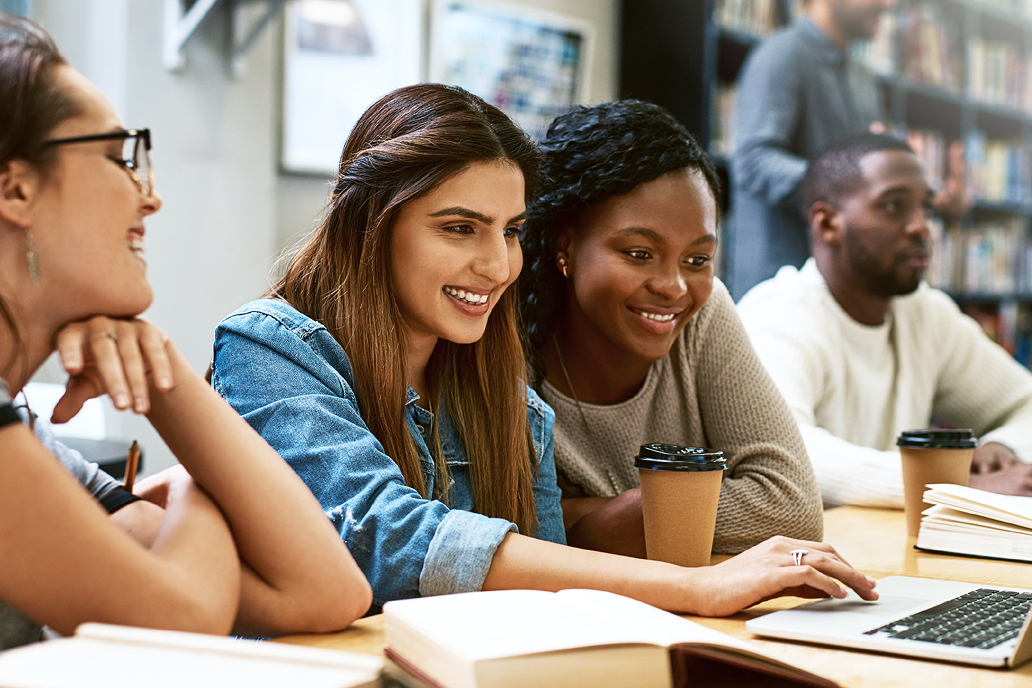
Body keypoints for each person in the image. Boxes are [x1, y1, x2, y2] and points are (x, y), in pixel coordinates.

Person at [211, 83, 878, 618]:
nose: (496, 264)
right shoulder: (268, 349)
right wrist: (699, 588)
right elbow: (389, 540)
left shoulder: (504, 393)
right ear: (370, 222)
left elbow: (548, 593)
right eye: (460, 229)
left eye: (509, 231)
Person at [0, 14, 370, 650]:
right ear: (15, 188)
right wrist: (200, 481)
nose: (150, 198)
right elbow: (184, 614)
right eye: (120, 159)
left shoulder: (26, 440)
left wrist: (165, 375)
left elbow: (325, 589)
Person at [517, 100, 823, 558]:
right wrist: (676, 510)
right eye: (639, 253)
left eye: (697, 259)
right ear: (566, 244)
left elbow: (792, 508)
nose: (674, 286)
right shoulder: (503, 334)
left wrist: (601, 515)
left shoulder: (704, 313)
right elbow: (500, 527)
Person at [737, 133, 1032, 508]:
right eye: (893, 207)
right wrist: (956, 485)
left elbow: (1025, 403)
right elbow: (788, 452)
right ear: (828, 223)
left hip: (881, 549)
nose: (921, 227)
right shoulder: (778, 314)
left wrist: (1001, 447)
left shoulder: (926, 314)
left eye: (926, 208)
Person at [726, 0, 896, 300]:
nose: (888, 3)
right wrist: (843, 183)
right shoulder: (780, 56)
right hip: (779, 293)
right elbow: (753, 162)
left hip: (839, 289)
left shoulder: (863, 77)